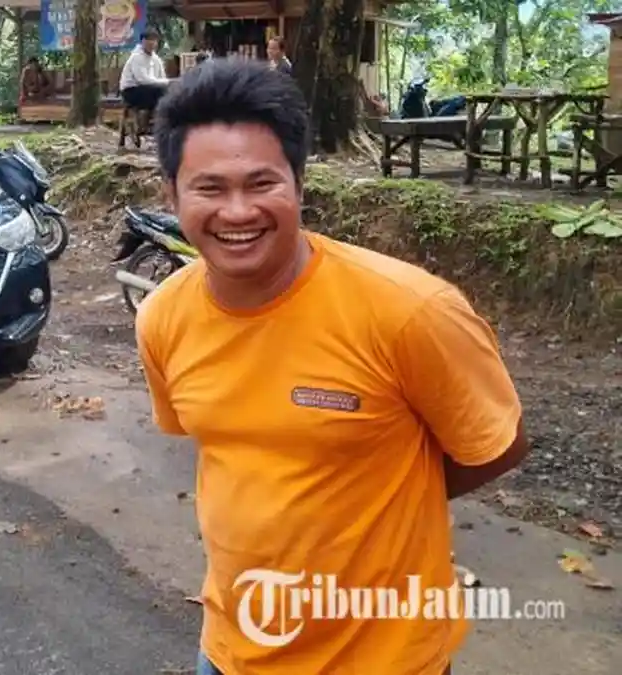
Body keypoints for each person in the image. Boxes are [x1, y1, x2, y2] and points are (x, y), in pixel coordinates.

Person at [138, 58, 529, 675]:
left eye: (261, 183)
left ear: (299, 183)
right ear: (172, 194)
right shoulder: (162, 317)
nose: (237, 212)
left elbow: (496, 446)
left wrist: (380, 502)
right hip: (229, 650)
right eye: (210, 188)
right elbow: (229, 453)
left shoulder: (408, 310)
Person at [119, 30, 170, 114]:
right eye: (148, 42)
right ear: (143, 42)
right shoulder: (136, 57)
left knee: (169, 91)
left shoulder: (156, 59)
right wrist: (167, 82)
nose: (151, 44)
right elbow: (142, 80)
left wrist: (168, 83)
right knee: (159, 92)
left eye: (154, 41)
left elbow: (162, 78)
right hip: (131, 91)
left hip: (148, 89)